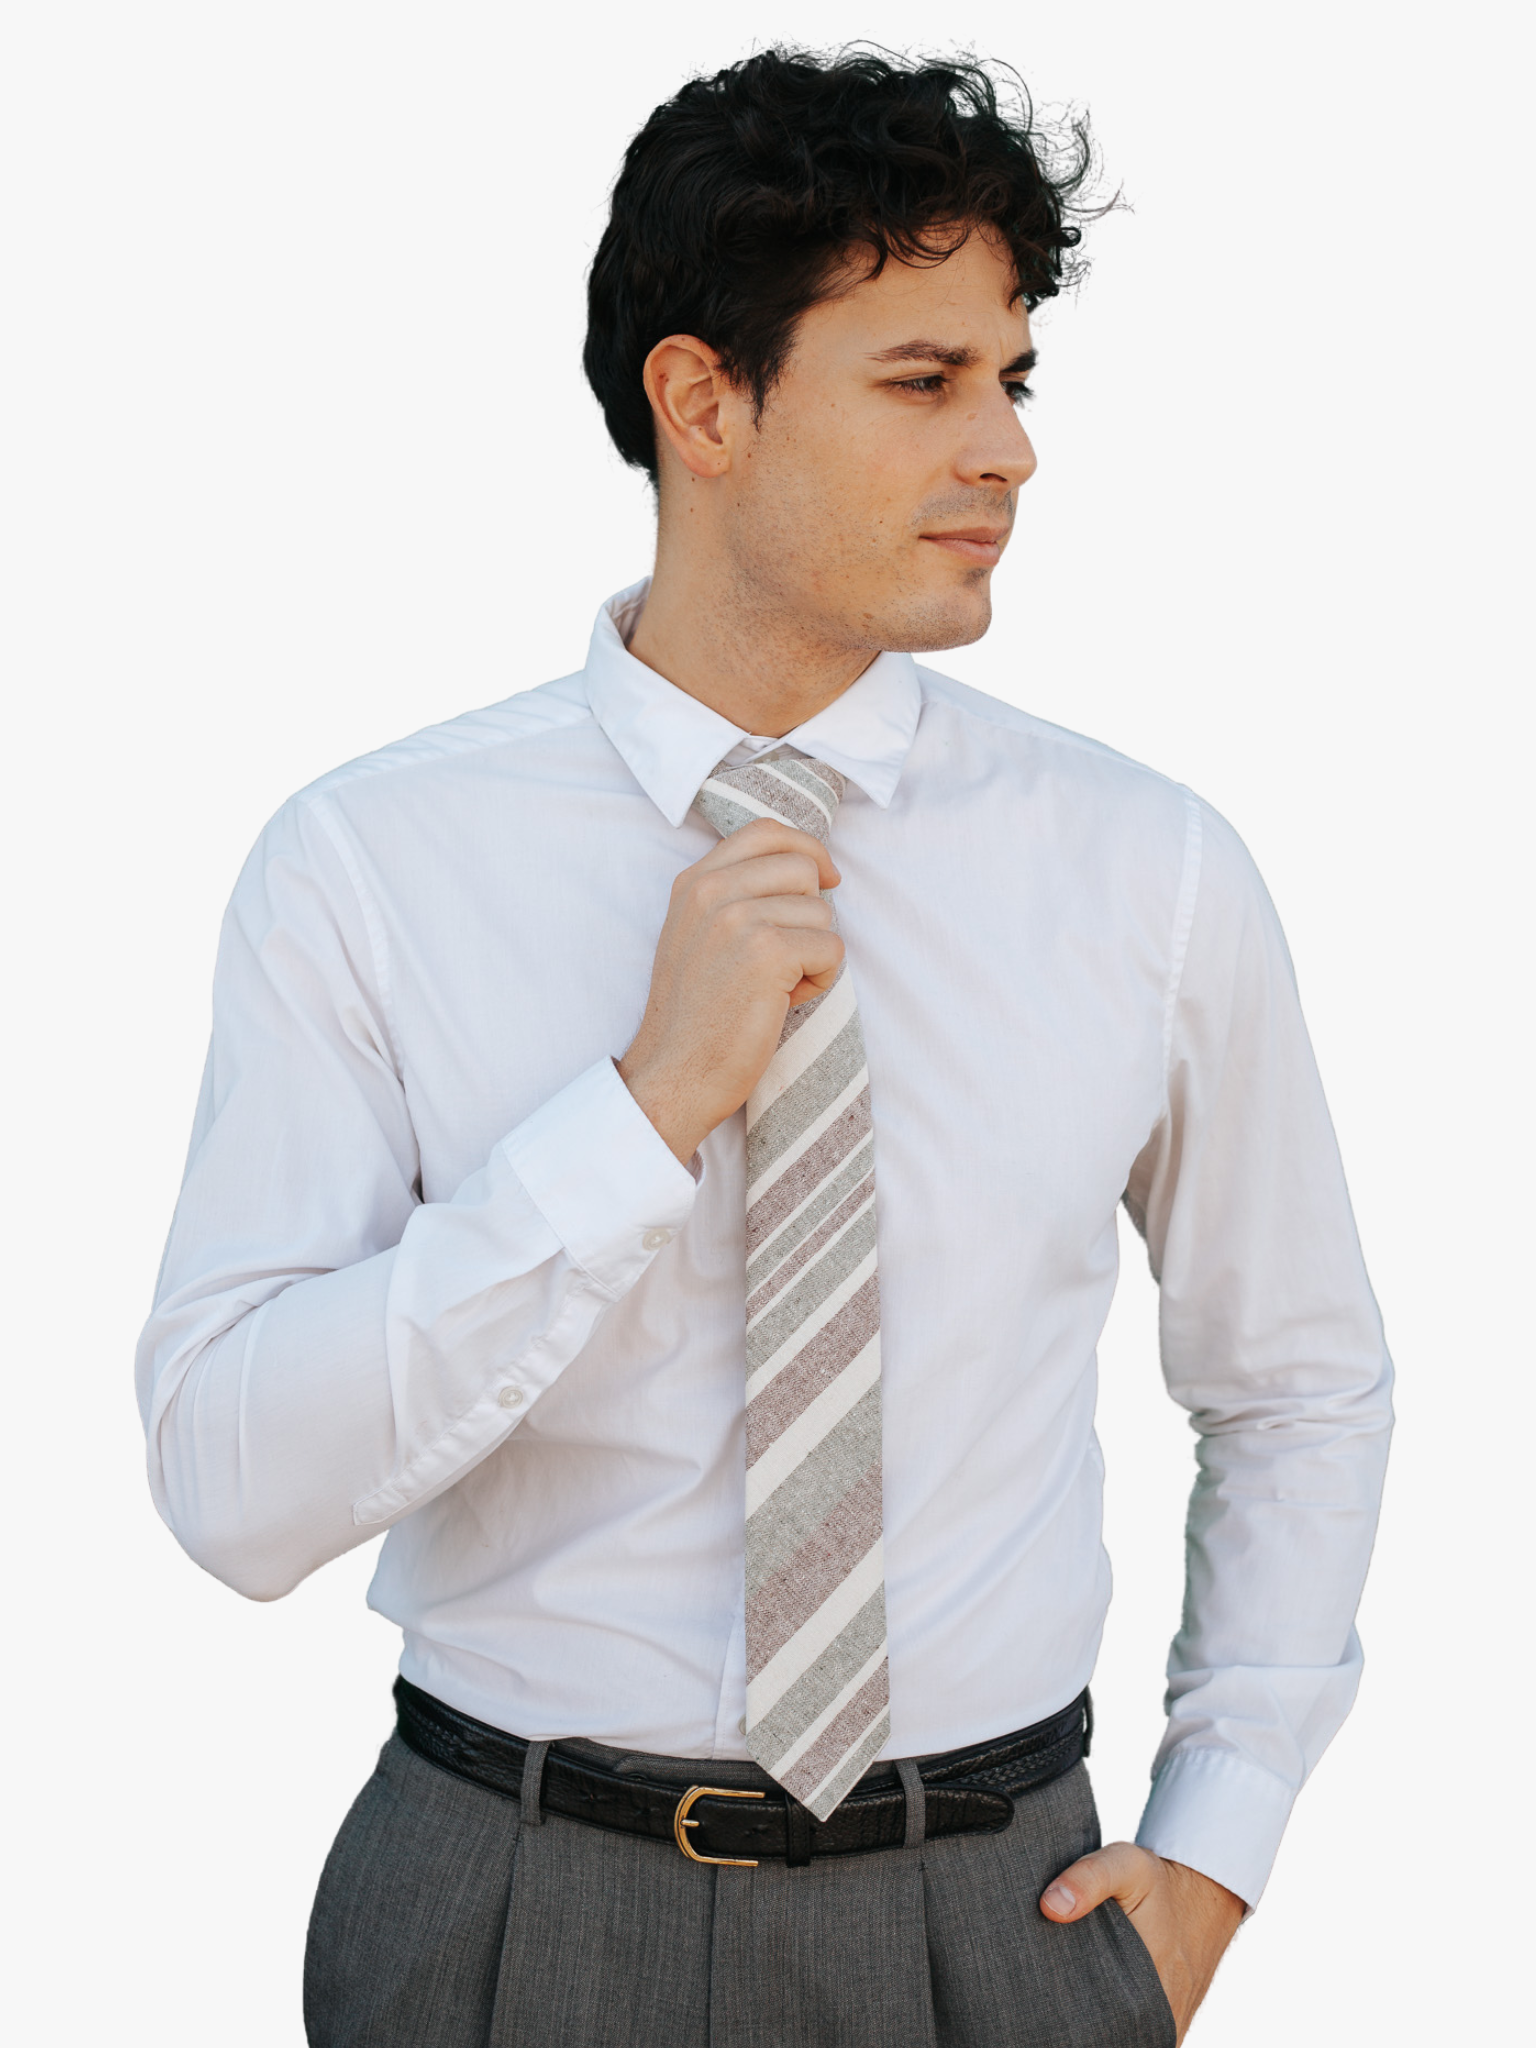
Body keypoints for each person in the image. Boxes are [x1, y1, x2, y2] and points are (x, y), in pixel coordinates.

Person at [137, 48, 1393, 2048]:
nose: (1009, 450)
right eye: (923, 382)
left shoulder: (1148, 871)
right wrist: (637, 1120)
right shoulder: (370, 865)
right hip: (509, 1918)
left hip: (1005, 1914)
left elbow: (1300, 1377)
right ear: (701, 402)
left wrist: (1219, 1846)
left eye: (1014, 379)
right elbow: (228, 1485)